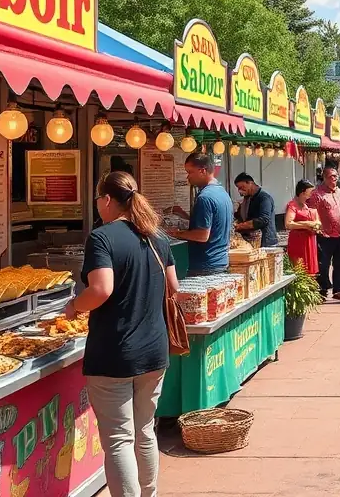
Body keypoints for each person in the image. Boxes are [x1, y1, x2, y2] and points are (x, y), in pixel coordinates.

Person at [68, 170, 177, 497]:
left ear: (106, 200)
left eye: (97, 199)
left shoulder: (102, 237)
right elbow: (173, 286)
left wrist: (74, 306)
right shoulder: (157, 236)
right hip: (154, 349)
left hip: (114, 352)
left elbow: (101, 289)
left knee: (118, 439)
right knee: (144, 431)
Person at [180, 153, 233, 275]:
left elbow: (202, 235)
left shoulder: (204, 198)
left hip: (205, 266)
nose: (188, 177)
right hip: (221, 261)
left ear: (202, 171)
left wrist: (176, 234)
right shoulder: (223, 192)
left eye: (190, 172)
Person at [308, 166, 340, 301]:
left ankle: (338, 290)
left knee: (339, 263)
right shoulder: (317, 194)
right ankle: (322, 290)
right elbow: (311, 213)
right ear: (324, 178)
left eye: (335, 176)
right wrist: (317, 228)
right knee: (323, 264)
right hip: (324, 235)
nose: (334, 178)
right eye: (331, 176)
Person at [233, 173, 277, 249]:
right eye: (238, 188)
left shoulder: (264, 198)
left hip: (266, 242)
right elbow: (244, 216)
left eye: (242, 187)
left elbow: (263, 220)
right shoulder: (247, 199)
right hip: (251, 241)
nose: (240, 190)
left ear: (250, 183)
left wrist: (240, 226)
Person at [285, 180, 320, 274]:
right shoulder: (292, 205)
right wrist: (307, 224)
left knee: (310, 269)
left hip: (309, 239)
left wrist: (316, 226)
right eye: (310, 192)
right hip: (299, 241)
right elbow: (288, 224)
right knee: (300, 268)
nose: (311, 195)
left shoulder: (306, 205)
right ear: (302, 192)